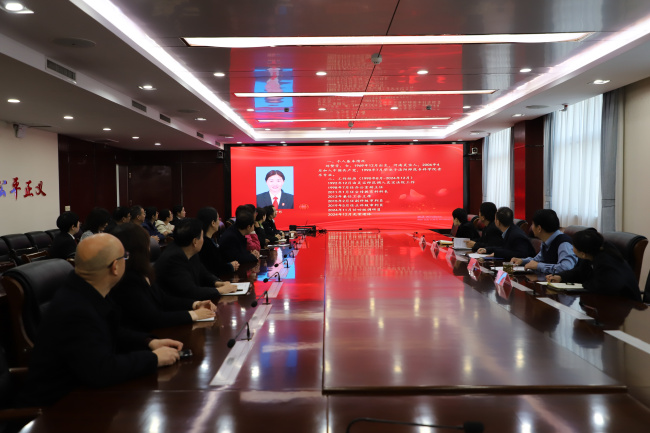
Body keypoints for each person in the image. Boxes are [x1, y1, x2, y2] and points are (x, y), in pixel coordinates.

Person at [19, 233, 183, 407]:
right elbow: (101, 370)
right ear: (115, 267)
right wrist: (153, 359)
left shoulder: (86, 289)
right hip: (57, 408)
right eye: (125, 257)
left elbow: (112, 331)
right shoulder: (75, 310)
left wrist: (148, 342)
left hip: (83, 394)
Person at [109, 223, 216, 331]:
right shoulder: (127, 279)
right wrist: (194, 314)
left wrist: (195, 304)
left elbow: (163, 299)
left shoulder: (142, 271)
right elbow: (154, 318)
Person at [546, 230, 642, 301]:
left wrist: (582, 284)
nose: (572, 248)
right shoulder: (593, 252)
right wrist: (561, 277)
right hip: (607, 302)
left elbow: (600, 286)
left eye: (573, 246)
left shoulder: (606, 262)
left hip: (624, 304)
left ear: (583, 254)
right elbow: (580, 272)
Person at [154, 218, 237, 300]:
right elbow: (190, 292)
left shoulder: (188, 249)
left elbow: (202, 272)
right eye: (202, 237)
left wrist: (217, 282)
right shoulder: (173, 259)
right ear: (195, 241)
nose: (203, 240)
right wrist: (220, 290)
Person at [512, 209, 578, 274]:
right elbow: (538, 259)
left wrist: (539, 266)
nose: (531, 227)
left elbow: (566, 268)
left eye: (532, 224)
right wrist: (522, 261)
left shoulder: (564, 243)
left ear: (539, 228)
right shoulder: (546, 241)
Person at [196, 206, 240, 276]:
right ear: (213, 223)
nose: (219, 222)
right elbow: (214, 268)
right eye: (218, 219)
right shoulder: (205, 244)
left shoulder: (208, 240)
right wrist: (230, 266)